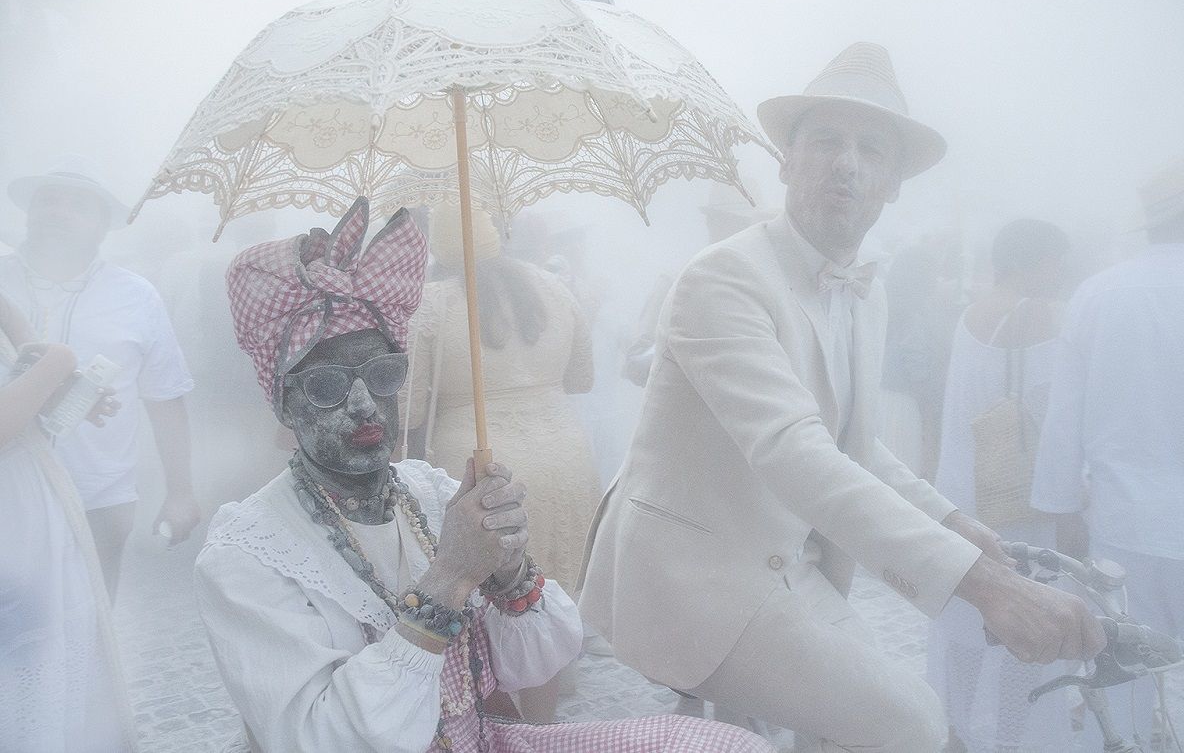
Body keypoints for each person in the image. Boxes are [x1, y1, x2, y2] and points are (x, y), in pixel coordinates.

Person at [578, 43, 1106, 753]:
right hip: (695, 577)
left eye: (871, 148)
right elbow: (793, 449)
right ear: (786, 160)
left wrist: (953, 520)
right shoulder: (723, 278)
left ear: (892, 182)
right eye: (826, 140)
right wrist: (983, 584)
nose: (848, 163)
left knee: (864, 721)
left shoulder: (867, 290)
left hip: (784, 564)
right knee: (910, 724)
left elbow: (852, 441)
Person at [195, 197, 774, 753]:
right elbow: (324, 739)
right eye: (326, 385)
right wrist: (447, 581)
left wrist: (509, 571)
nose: (365, 403)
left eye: (384, 373)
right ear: (283, 406)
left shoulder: (429, 491)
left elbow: (539, 659)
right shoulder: (249, 553)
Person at [1031, 154, 1184, 753]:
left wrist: (1060, 511)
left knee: (1121, 688)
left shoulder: (1097, 296)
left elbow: (1062, 418)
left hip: (1123, 536)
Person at [403, 203, 600, 721]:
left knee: (494, 608)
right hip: (566, 461)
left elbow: (409, 407)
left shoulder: (428, 305)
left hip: (477, 468)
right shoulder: (552, 288)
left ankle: (503, 727)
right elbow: (583, 379)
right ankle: (544, 723)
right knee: (541, 595)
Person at [1, 164, 199, 598]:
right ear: (30, 213)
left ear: (103, 225)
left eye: (77, 205)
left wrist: (180, 491)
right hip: (5, 498)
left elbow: (164, 397)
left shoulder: (136, 295)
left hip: (98, 497)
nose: (58, 212)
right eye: (48, 201)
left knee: (90, 630)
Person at [926, 219, 1073, 753]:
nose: (1063, 273)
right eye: (1058, 260)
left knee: (965, 625)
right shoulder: (1040, 315)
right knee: (1024, 625)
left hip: (965, 493)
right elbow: (1054, 411)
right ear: (1035, 261)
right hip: (1019, 500)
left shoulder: (969, 314)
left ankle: (957, 732)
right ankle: (1011, 738)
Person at [0, 292, 136, 751]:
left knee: (56, 670)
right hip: (12, 521)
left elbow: (25, 369)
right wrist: (59, 361)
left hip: (35, 503)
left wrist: (66, 388)